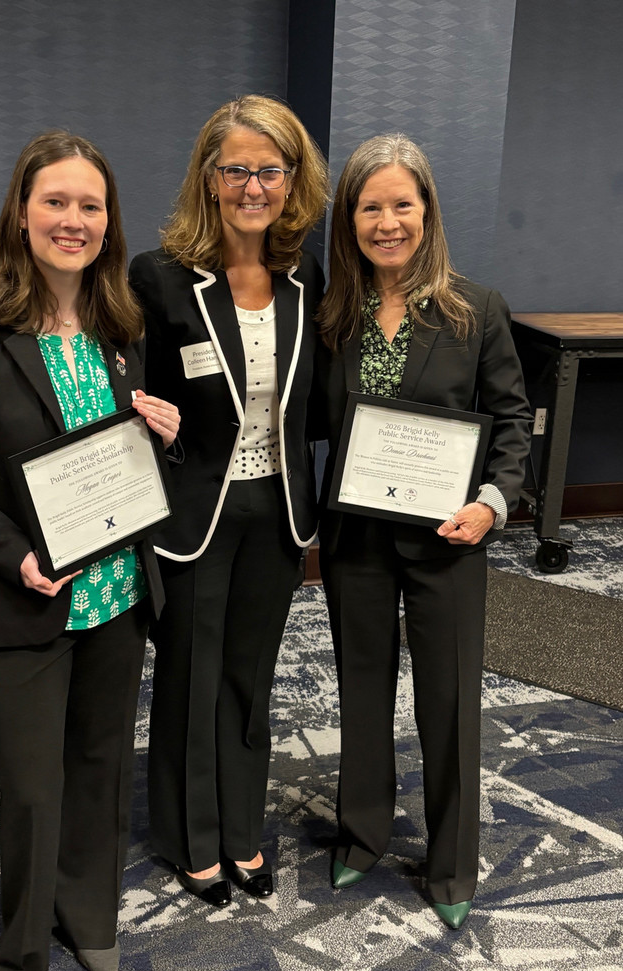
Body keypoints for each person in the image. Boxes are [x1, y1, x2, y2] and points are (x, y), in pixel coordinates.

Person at [0, 131, 180, 971]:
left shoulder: (120, 329)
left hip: (116, 591)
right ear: (21, 215)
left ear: (110, 223)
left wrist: (160, 438)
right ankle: (21, 949)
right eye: (55, 201)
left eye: (91, 205)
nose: (74, 220)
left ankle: (89, 915)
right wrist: (11, 552)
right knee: (28, 784)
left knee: (100, 765)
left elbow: (119, 466)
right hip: (23, 594)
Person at [317, 134, 532, 929]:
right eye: (370, 207)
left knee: (448, 701)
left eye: (401, 204)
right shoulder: (333, 311)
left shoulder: (476, 310)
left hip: (450, 537)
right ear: (351, 218)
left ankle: (450, 862)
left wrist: (493, 502)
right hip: (356, 541)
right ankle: (362, 832)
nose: (387, 222)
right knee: (361, 693)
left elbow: (512, 419)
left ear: (427, 210)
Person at [128, 95, 329, 907]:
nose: (255, 185)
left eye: (270, 169)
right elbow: (126, 384)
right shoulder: (161, 276)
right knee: (189, 677)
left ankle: (242, 829)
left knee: (251, 676)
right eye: (237, 168)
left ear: (292, 179)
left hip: (277, 513)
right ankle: (192, 838)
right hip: (194, 512)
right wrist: (144, 419)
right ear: (209, 179)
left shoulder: (305, 274)